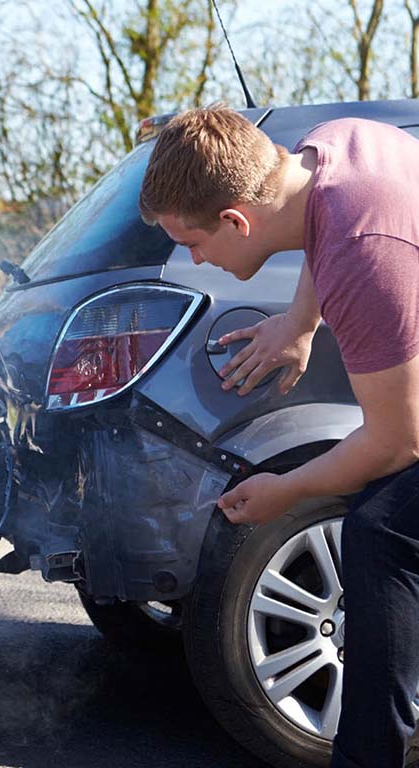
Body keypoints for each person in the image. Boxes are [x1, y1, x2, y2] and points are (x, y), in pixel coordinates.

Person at [139, 104, 419, 767]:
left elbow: (398, 443)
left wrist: (284, 493)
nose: (196, 259)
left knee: (383, 528)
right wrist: (300, 319)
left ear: (237, 219)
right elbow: (326, 227)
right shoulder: (331, 148)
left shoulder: (364, 254)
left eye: (194, 243)